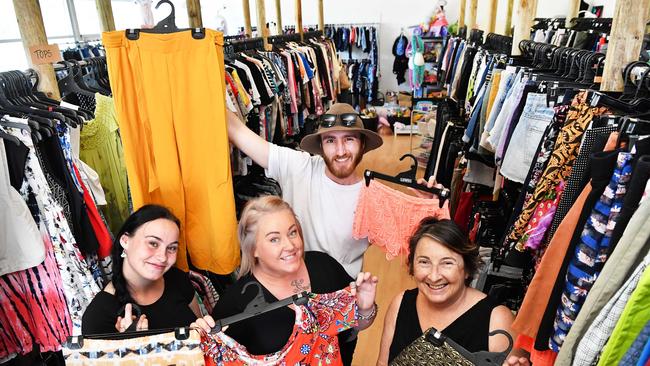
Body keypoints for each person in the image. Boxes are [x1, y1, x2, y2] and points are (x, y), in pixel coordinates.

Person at [227, 102, 445, 278]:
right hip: (291, 295)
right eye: (331, 140)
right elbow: (237, 131)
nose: (340, 151)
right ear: (321, 146)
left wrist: (432, 207)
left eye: (349, 140)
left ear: (361, 145)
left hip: (341, 304)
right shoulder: (298, 166)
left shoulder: (372, 198)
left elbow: (430, 246)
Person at [193, 195, 378, 365]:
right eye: (274, 239)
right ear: (253, 249)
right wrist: (199, 341)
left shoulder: (323, 266)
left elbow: (352, 328)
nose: (289, 245)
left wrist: (365, 308)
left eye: (292, 233)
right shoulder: (235, 305)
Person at [377, 218, 530, 366]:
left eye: (447, 263)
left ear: (467, 269)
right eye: (424, 262)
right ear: (412, 265)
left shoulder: (498, 319)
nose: (434, 276)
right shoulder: (401, 303)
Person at [82, 205, 201, 334]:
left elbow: (199, 332)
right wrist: (131, 345)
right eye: (153, 243)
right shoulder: (99, 316)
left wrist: (205, 331)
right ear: (125, 241)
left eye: (172, 248)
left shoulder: (178, 279)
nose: (163, 257)